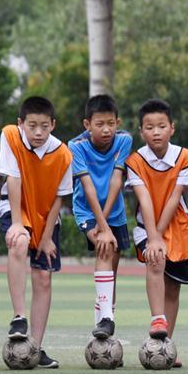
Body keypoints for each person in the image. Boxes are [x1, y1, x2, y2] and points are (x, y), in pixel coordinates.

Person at [0, 96, 73, 369]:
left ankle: (36, 348)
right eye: (32, 126)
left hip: (47, 219)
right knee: (18, 242)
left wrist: (47, 236)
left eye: (44, 126)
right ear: (21, 124)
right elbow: (13, 179)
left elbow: (58, 199)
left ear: (53, 124)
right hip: (16, 208)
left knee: (43, 278)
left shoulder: (64, 154)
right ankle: (19, 317)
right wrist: (18, 223)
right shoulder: (10, 136)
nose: (38, 132)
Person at [125, 99, 188, 367]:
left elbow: (174, 198)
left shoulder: (185, 157)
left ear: (172, 128)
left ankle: (166, 348)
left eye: (161, 126)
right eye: (150, 127)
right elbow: (144, 199)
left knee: (174, 287)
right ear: (141, 131)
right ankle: (157, 318)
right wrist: (153, 236)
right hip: (148, 224)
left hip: (177, 225)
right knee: (156, 259)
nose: (156, 132)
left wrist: (161, 234)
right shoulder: (135, 161)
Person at [68, 94, 132, 340]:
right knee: (104, 248)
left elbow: (117, 179)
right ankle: (106, 318)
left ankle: (103, 329)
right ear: (87, 125)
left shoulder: (124, 140)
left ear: (118, 121)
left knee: (111, 273)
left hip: (114, 212)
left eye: (111, 123)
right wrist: (101, 226)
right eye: (99, 124)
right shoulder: (76, 146)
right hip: (87, 209)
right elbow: (87, 186)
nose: (106, 129)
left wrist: (106, 222)